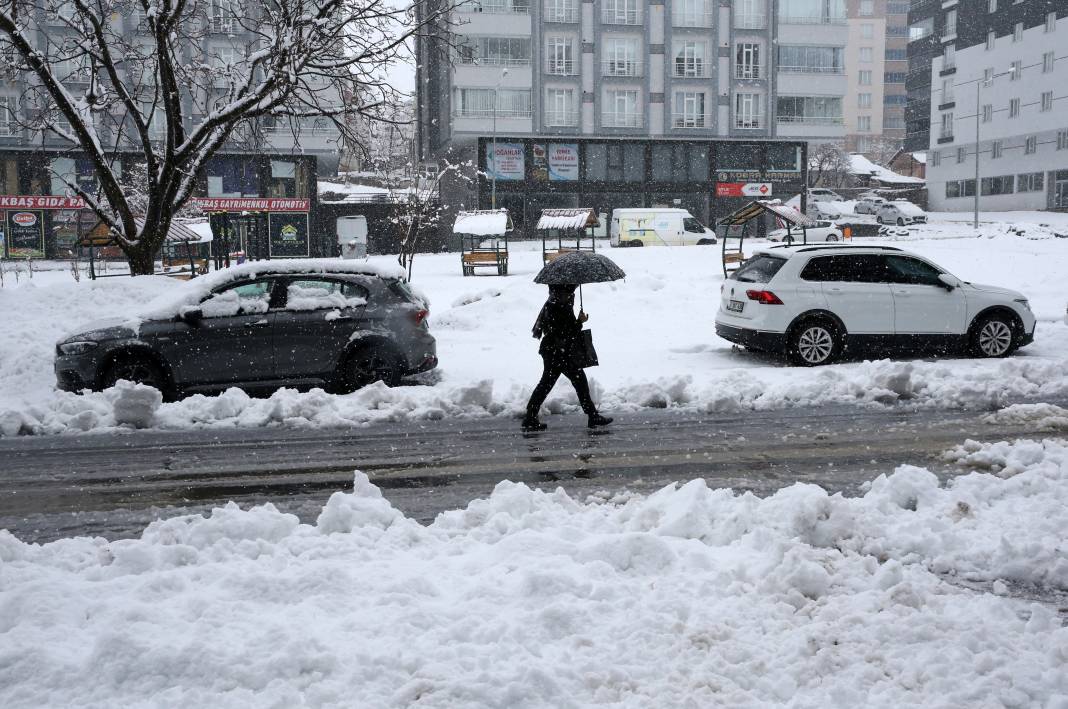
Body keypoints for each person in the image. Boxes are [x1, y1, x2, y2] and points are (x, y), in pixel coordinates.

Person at [523, 284, 613, 431]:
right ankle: (592, 416)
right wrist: (579, 322)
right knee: (573, 382)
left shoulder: (555, 301)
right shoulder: (559, 305)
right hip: (558, 352)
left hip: (556, 351)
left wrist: (576, 322)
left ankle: (530, 416)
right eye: (571, 290)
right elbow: (565, 332)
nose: (572, 294)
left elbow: (563, 330)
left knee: (551, 383)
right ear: (564, 290)